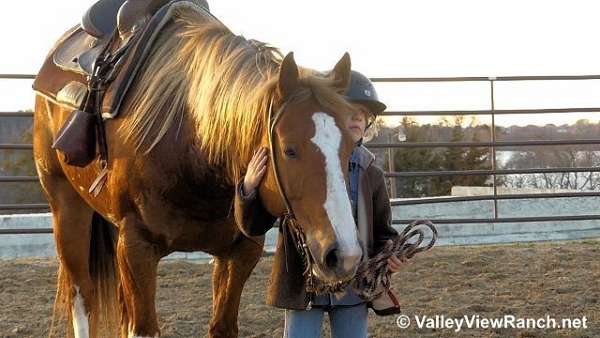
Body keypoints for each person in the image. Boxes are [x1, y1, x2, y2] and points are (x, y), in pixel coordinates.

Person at [234, 70, 404, 338]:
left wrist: (392, 253)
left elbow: (384, 231)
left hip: (353, 286)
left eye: (365, 114)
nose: (359, 117)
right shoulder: (306, 166)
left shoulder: (371, 172)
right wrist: (248, 189)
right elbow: (253, 225)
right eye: (352, 110)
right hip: (304, 289)